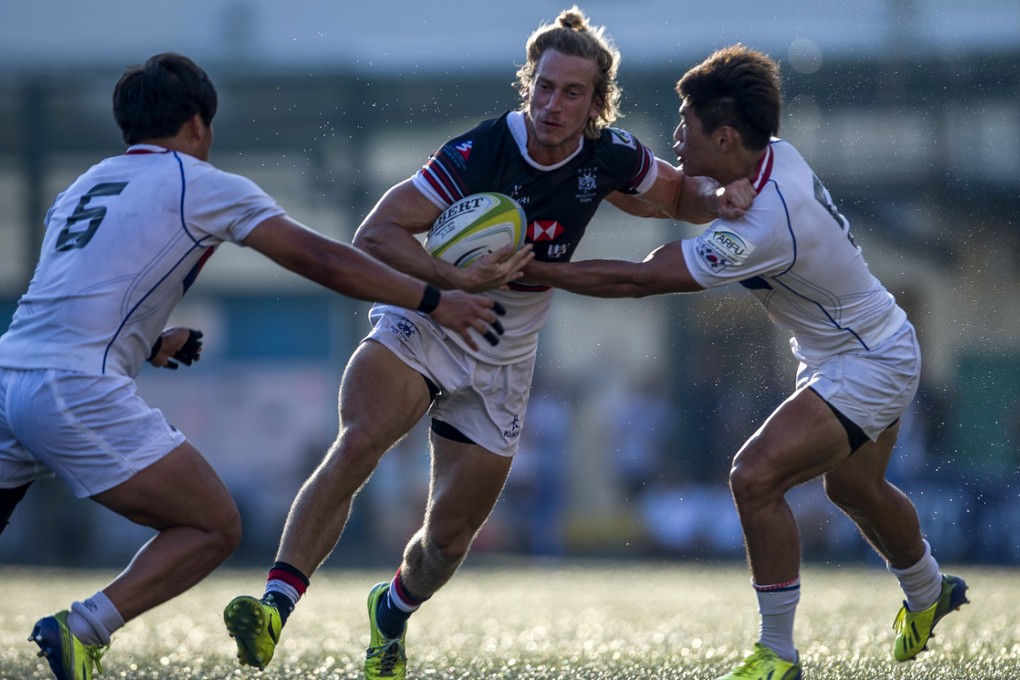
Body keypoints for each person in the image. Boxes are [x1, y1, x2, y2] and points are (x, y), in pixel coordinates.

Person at [223, 7, 752, 679]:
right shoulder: (479, 151)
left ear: (596, 103)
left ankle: (389, 615)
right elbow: (377, 234)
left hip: (505, 354)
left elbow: (680, 198)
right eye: (543, 86)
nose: (551, 104)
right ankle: (274, 605)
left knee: (445, 542)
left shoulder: (611, 156)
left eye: (571, 92)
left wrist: (723, 193)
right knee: (361, 439)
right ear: (527, 82)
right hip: (430, 321)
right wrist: (449, 281)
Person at [0, 52, 512, 680]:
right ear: (197, 125)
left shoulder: (82, 186)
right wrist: (437, 299)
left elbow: (72, 294)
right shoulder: (197, 181)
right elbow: (323, 260)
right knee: (212, 526)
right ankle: (83, 628)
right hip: (71, 389)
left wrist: (151, 341)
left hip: (10, 378)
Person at [522, 44, 968, 679]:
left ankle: (777, 654)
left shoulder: (762, 224)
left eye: (686, 125)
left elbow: (641, 280)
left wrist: (534, 266)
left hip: (869, 361)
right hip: (868, 342)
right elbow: (667, 192)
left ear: (726, 136)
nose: (676, 137)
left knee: (754, 477)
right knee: (853, 486)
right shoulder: (770, 159)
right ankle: (930, 591)